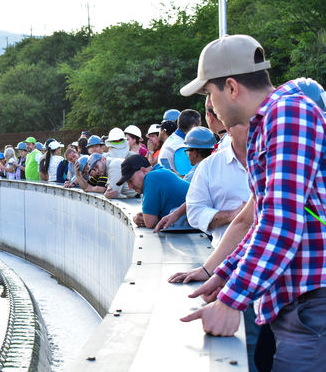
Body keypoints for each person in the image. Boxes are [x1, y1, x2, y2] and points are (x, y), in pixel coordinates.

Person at [178, 34, 326, 371]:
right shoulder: (269, 122)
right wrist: (225, 272)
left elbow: (282, 224)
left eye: (209, 95)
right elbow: (263, 219)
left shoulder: (289, 114)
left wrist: (232, 301)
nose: (211, 108)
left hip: (314, 304)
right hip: (300, 304)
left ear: (231, 87)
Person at [116, 154, 189, 229]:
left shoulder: (151, 177)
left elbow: (150, 223)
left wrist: (138, 218)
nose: (130, 187)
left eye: (131, 180)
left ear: (143, 171)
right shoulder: (159, 172)